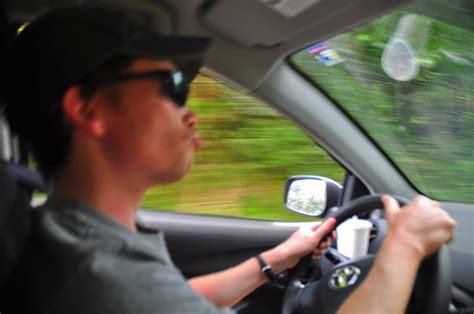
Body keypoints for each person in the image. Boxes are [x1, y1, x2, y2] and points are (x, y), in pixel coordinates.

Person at [2, 5, 455, 314]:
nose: (190, 113)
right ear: (89, 111)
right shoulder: (102, 277)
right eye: (171, 87)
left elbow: (177, 300)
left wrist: (276, 259)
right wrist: (406, 246)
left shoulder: (72, 239)